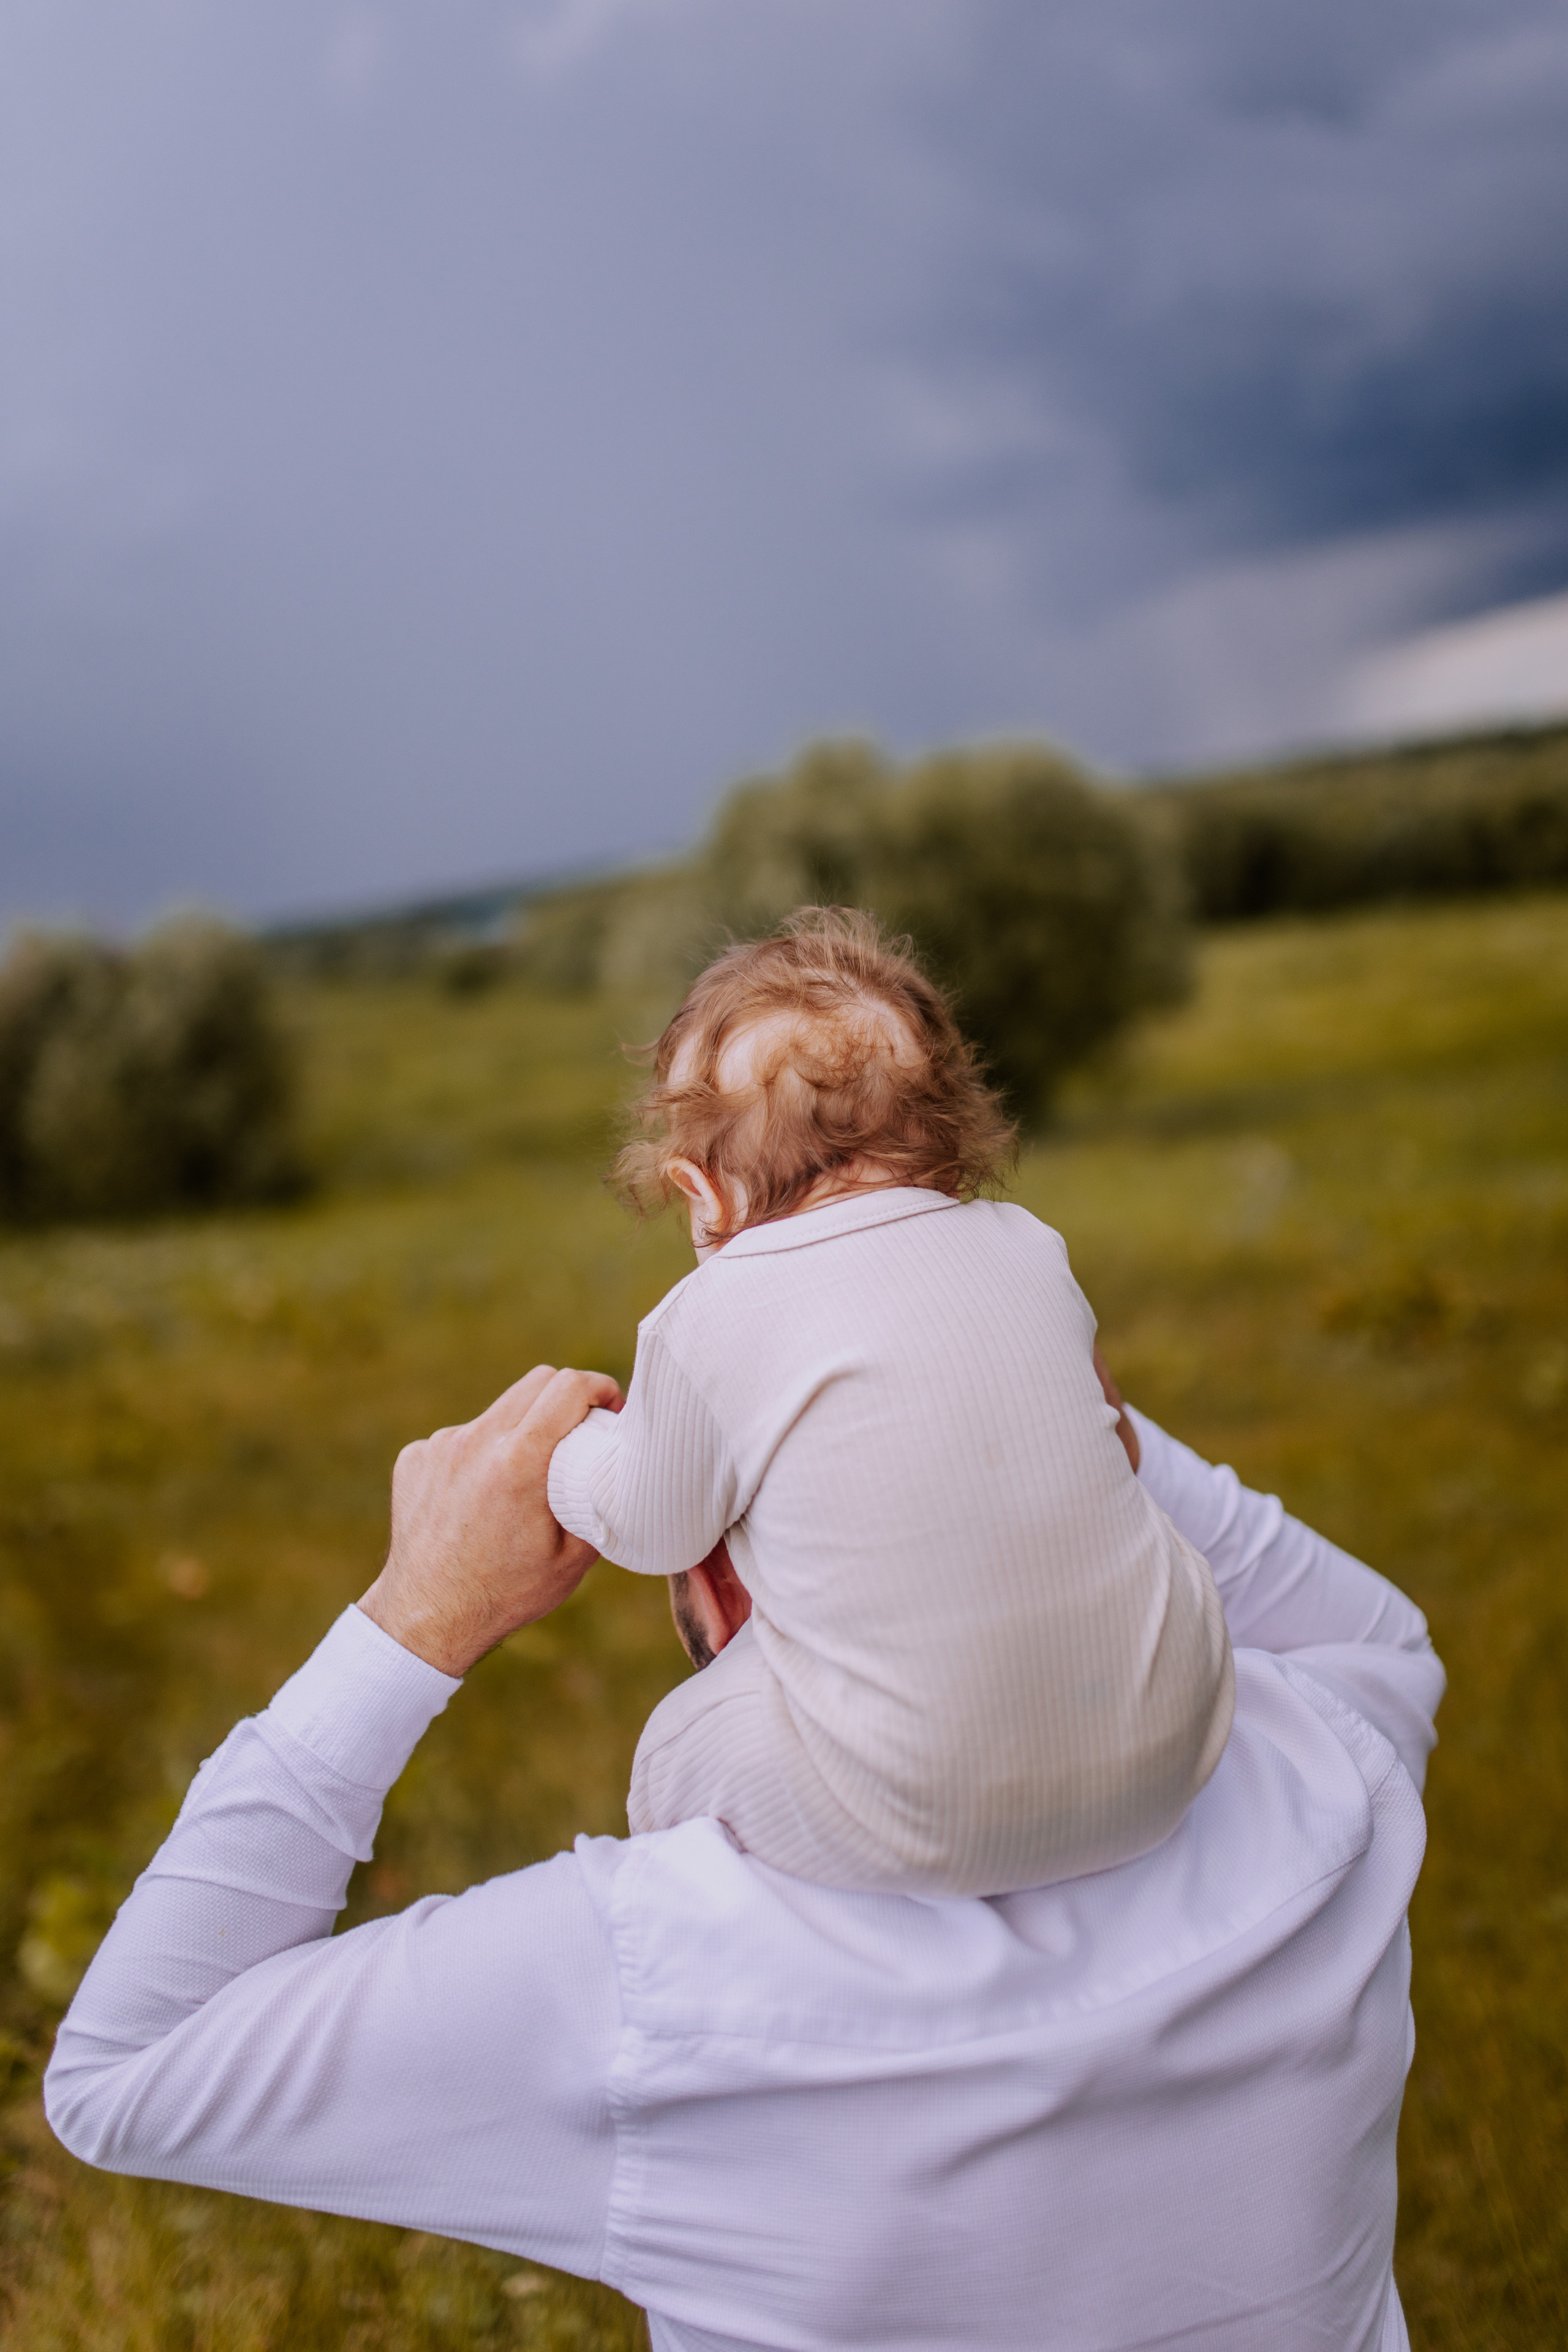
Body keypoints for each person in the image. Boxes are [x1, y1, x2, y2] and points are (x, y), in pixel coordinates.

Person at [45, 1356, 1441, 2352]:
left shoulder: (658, 1972)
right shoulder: (1312, 1766)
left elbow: (124, 2070)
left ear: (707, 1580)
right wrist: (1073, 1424)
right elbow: (1370, 1639)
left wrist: (417, 1612)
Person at [549, 908, 1233, 1893]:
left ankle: (782, 1939)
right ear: (953, 1139)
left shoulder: (708, 1316)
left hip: (926, 1814)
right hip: (1179, 1748)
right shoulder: (1029, 1246)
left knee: (676, 1746)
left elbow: (651, 1527)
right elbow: (1116, 1448)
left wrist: (573, 1455)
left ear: (700, 1192)